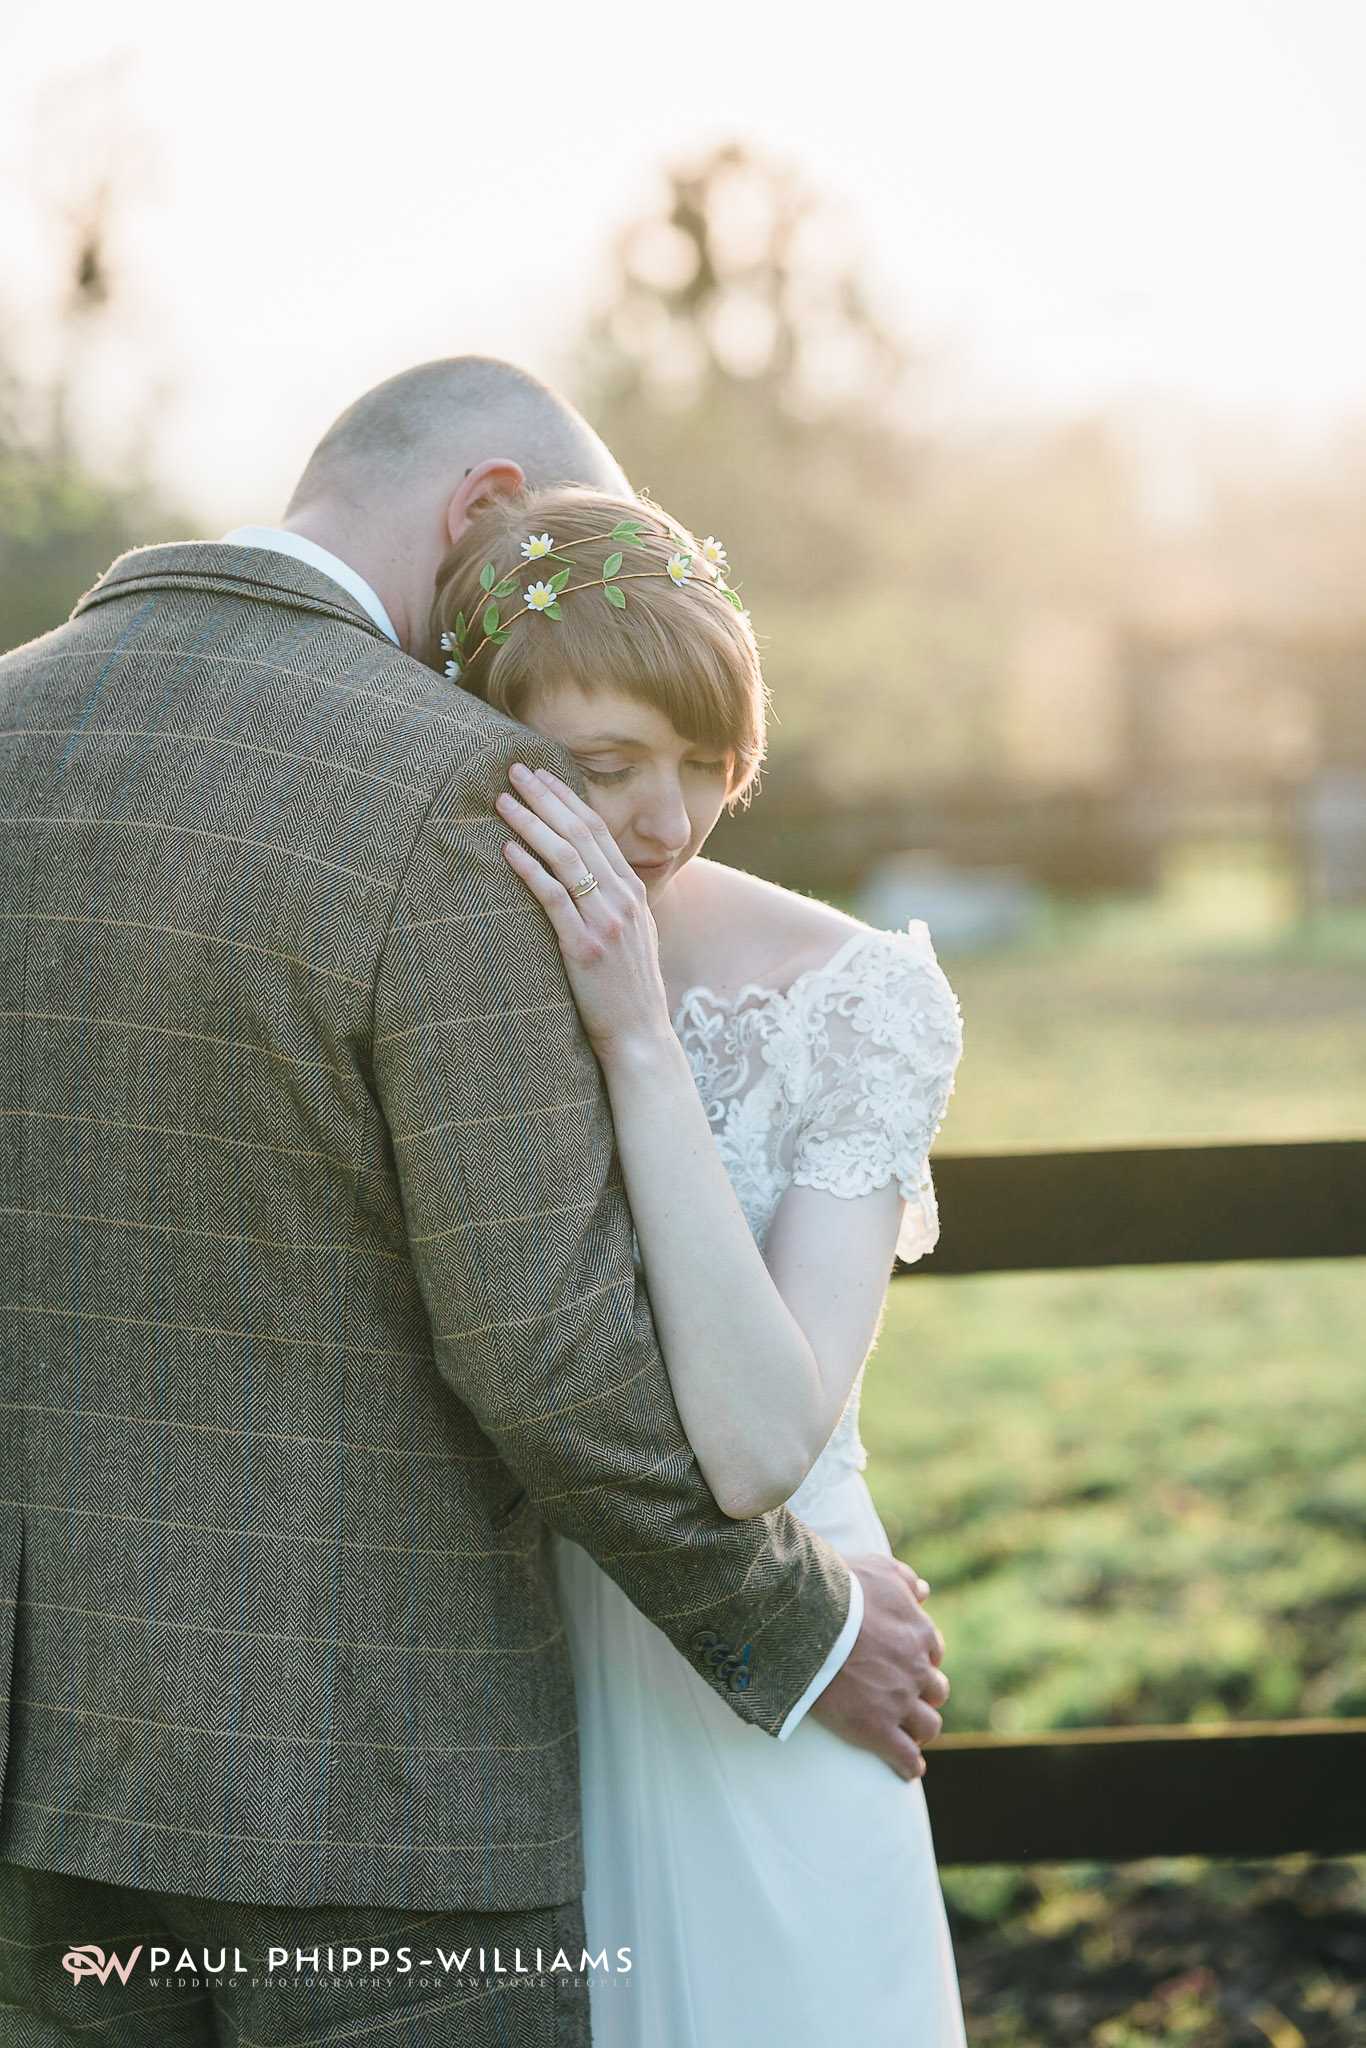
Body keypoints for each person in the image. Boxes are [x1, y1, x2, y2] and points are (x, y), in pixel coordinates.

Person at [0, 357, 947, 2048]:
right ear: (488, 512)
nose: (649, 813)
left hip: (49, 1768)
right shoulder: (441, 790)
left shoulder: (23, 727)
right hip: (381, 1766)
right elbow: (545, 1344)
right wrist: (799, 1630)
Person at [429, 482, 967, 2044]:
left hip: (781, 1673)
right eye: (603, 770)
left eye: (702, 766)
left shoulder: (853, 999)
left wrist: (638, 1041)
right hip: (509, 1684)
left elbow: (757, 1441)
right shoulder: (431, 971)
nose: (663, 823)